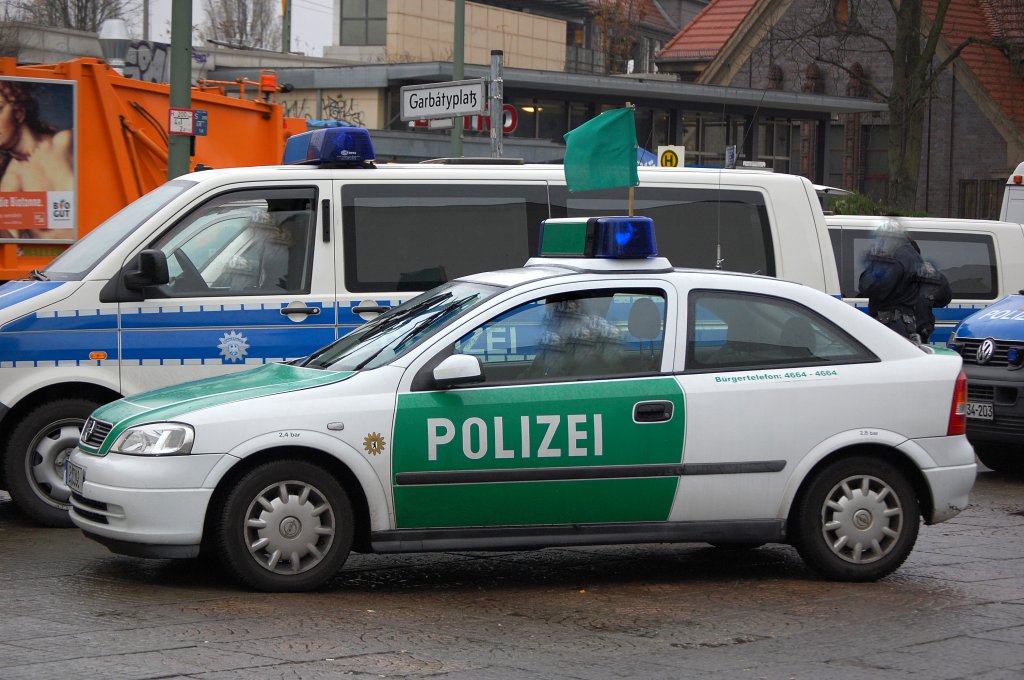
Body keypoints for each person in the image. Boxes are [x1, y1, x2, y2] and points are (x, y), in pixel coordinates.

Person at [0, 80, 75, 240]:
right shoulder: (11, 180)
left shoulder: (65, 142)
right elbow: (11, 242)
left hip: (98, 258)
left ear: (19, 113)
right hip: (53, 263)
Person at [857, 219, 924, 341]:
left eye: (882, 238)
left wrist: (876, 262)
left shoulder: (894, 259)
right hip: (904, 322)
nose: (880, 242)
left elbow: (869, 287)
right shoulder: (913, 256)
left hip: (891, 324)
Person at [910, 239, 953, 343]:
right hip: (920, 332)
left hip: (900, 331)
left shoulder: (891, 271)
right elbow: (944, 299)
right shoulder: (931, 274)